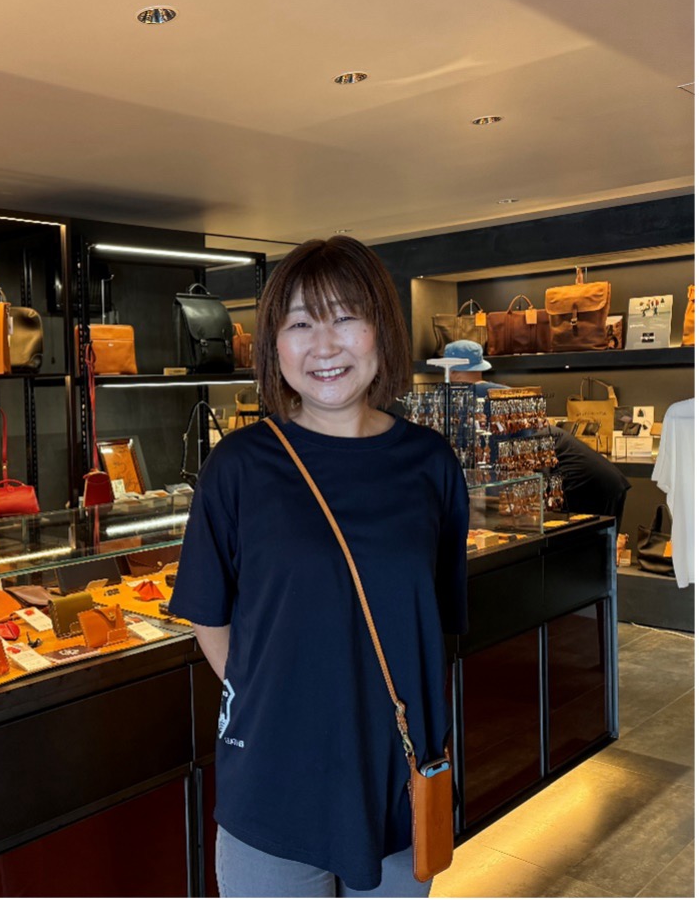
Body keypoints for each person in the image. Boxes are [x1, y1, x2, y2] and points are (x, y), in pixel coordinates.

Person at [169, 236, 469, 897]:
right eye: (301, 323)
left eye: (346, 317)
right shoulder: (239, 466)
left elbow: (435, 624)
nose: (324, 345)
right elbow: (208, 616)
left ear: (381, 330)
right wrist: (281, 695)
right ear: (274, 344)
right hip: (273, 780)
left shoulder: (431, 464)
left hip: (398, 776)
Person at [440, 339, 631, 526]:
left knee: (579, 543)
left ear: (453, 371)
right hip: (597, 479)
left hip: (584, 484)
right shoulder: (507, 394)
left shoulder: (467, 400)